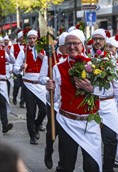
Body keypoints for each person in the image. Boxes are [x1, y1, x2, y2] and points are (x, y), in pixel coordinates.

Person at [46, 29, 102, 172]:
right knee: (66, 166)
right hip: (67, 122)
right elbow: (55, 99)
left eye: (75, 43)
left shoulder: (95, 65)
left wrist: (91, 89)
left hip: (89, 124)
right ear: (64, 47)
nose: (72, 47)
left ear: (82, 45)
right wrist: (50, 90)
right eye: (68, 44)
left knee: (92, 166)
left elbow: (107, 91)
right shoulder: (58, 67)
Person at [91, 28, 118, 172]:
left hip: (109, 104)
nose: (98, 42)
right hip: (91, 104)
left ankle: (108, 169)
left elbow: (117, 84)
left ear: (105, 41)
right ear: (92, 41)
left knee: (110, 139)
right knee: (92, 141)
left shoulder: (111, 58)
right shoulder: (85, 57)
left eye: (101, 39)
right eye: (95, 39)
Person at [39, 32, 68, 170]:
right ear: (61, 45)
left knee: (65, 136)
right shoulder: (49, 57)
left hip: (68, 103)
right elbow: (41, 77)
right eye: (66, 45)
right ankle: (48, 151)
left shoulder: (76, 59)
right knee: (52, 132)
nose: (70, 48)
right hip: (53, 101)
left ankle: (63, 163)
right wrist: (48, 82)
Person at [13, 29, 47, 145]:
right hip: (28, 84)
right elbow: (15, 69)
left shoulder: (44, 51)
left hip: (41, 85)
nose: (32, 40)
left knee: (44, 110)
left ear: (37, 39)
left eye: (34, 38)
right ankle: (32, 135)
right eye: (30, 38)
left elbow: (50, 67)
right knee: (30, 112)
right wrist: (22, 66)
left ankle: (37, 125)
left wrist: (44, 59)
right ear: (27, 40)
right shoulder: (24, 52)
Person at [0, 37, 14, 133]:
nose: (1, 44)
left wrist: (9, 53)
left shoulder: (3, 53)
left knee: (2, 103)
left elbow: (12, 61)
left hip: (2, 82)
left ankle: (5, 126)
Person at [10, 30, 25, 108]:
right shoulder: (14, 46)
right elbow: (11, 58)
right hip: (16, 70)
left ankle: (22, 102)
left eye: (23, 37)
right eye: (22, 37)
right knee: (16, 85)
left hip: (25, 70)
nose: (23, 39)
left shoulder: (26, 46)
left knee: (24, 86)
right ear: (19, 38)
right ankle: (14, 97)